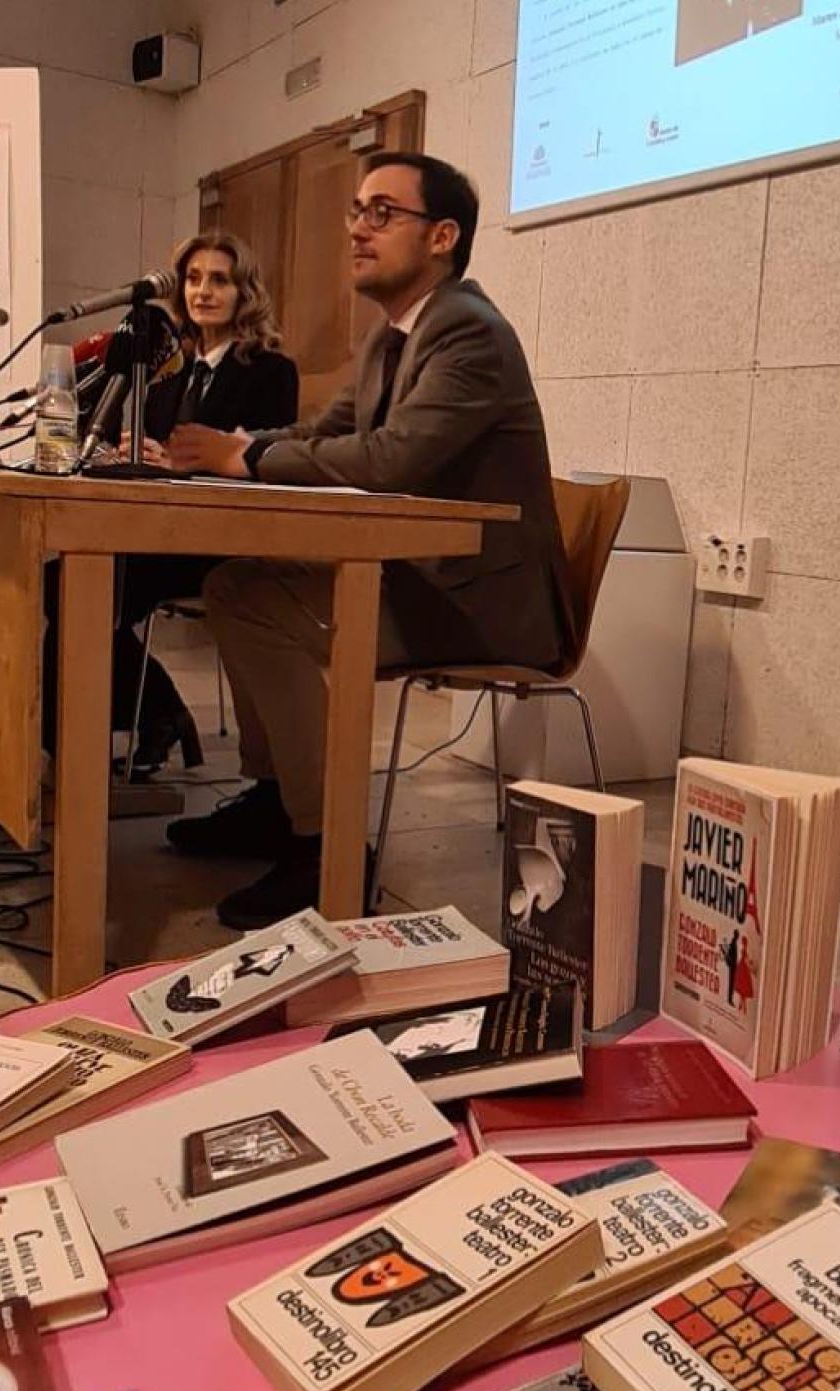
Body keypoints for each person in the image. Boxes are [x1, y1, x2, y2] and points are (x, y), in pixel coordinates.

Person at [165, 152, 572, 927]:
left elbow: (391, 460)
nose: (357, 228)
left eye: (383, 213)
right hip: (425, 579)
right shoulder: (391, 338)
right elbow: (325, 432)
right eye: (355, 210)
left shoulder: (469, 331)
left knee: (253, 602)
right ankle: (278, 798)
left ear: (442, 236)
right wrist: (233, 444)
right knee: (235, 583)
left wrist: (243, 459)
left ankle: (328, 848)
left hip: (480, 603)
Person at [44, 232, 299, 774]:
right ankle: (137, 719)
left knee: (86, 587)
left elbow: (268, 462)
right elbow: (158, 451)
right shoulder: (168, 371)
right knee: (62, 581)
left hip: (225, 539)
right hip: (159, 531)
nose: (202, 291)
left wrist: (186, 462)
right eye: (193, 279)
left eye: (219, 280)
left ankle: (91, 739)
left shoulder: (272, 371)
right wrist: (133, 452)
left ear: (245, 292)